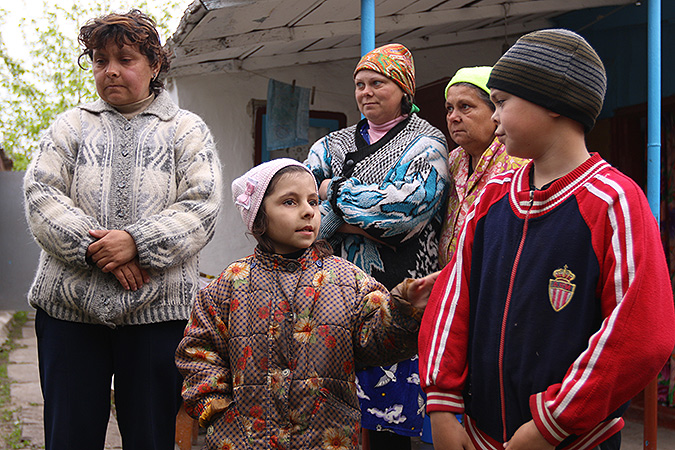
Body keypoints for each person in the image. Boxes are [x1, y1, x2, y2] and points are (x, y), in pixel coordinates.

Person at [419, 28, 675, 450]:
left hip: (573, 440)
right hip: (479, 438)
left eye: (501, 102)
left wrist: (551, 423)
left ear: (554, 103)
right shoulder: (493, 199)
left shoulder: (613, 201)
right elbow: (452, 301)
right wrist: (443, 405)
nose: (494, 116)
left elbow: (641, 333)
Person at [23, 10, 222, 450]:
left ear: (155, 65)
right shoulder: (69, 126)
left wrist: (137, 243)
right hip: (68, 314)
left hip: (157, 315)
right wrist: (102, 251)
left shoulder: (187, 130)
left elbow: (202, 205)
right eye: (99, 60)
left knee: (151, 438)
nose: (110, 69)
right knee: (68, 438)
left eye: (125, 58)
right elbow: (41, 195)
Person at [176, 158, 438, 450]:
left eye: (313, 202)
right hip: (243, 440)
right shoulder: (229, 285)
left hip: (326, 439)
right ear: (259, 216)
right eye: (290, 202)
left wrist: (404, 309)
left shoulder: (348, 280)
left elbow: (377, 342)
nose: (308, 211)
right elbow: (199, 352)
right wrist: (215, 409)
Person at [304, 43, 449, 448]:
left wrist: (333, 193)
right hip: (333, 298)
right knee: (334, 420)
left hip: (397, 299)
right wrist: (365, 203)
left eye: (377, 83)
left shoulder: (427, 143)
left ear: (403, 88)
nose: (366, 92)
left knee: (388, 427)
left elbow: (404, 215)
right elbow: (303, 209)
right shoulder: (330, 145)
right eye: (359, 84)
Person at [438, 66, 527, 266]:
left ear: (495, 111)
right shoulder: (451, 161)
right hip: (449, 283)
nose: (454, 117)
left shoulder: (518, 163)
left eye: (465, 106)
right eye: (450, 108)